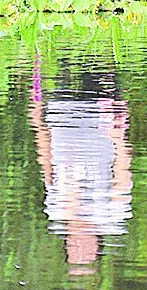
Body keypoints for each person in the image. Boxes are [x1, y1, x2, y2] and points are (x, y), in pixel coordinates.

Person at [29, 52, 134, 272]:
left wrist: (38, 123)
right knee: (98, 63)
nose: (79, 244)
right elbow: (123, 173)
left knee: (62, 62)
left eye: (74, 250)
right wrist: (119, 136)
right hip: (99, 123)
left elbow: (46, 163)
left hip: (62, 119)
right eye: (85, 252)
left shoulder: (56, 211)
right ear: (98, 246)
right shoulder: (112, 216)